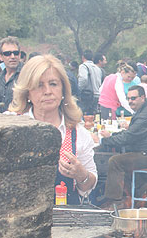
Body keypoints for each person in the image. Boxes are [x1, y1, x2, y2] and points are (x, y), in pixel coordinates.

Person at [9, 55, 97, 204]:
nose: (48, 91)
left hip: (64, 220)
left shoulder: (78, 133)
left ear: (63, 89)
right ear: (27, 92)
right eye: (39, 85)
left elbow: (89, 185)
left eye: (53, 84)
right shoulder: (12, 126)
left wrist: (81, 175)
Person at [98, 85, 147, 209]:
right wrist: (111, 136)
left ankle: (115, 201)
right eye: (128, 99)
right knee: (123, 158)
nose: (130, 101)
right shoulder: (143, 111)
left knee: (116, 161)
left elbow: (128, 137)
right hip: (144, 152)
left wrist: (104, 140)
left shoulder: (146, 115)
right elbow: (129, 134)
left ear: (143, 98)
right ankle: (144, 191)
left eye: (133, 98)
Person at [0, 36, 23, 112]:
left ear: (19, 55)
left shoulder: (26, 74)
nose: (13, 56)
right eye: (7, 53)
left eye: (16, 53)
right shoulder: (0, 77)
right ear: (1, 57)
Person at [77, 49, 103, 115]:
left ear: (83, 57)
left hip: (87, 96)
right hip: (97, 95)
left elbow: (83, 79)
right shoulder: (98, 68)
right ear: (92, 58)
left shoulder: (83, 66)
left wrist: (79, 89)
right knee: (93, 116)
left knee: (83, 115)